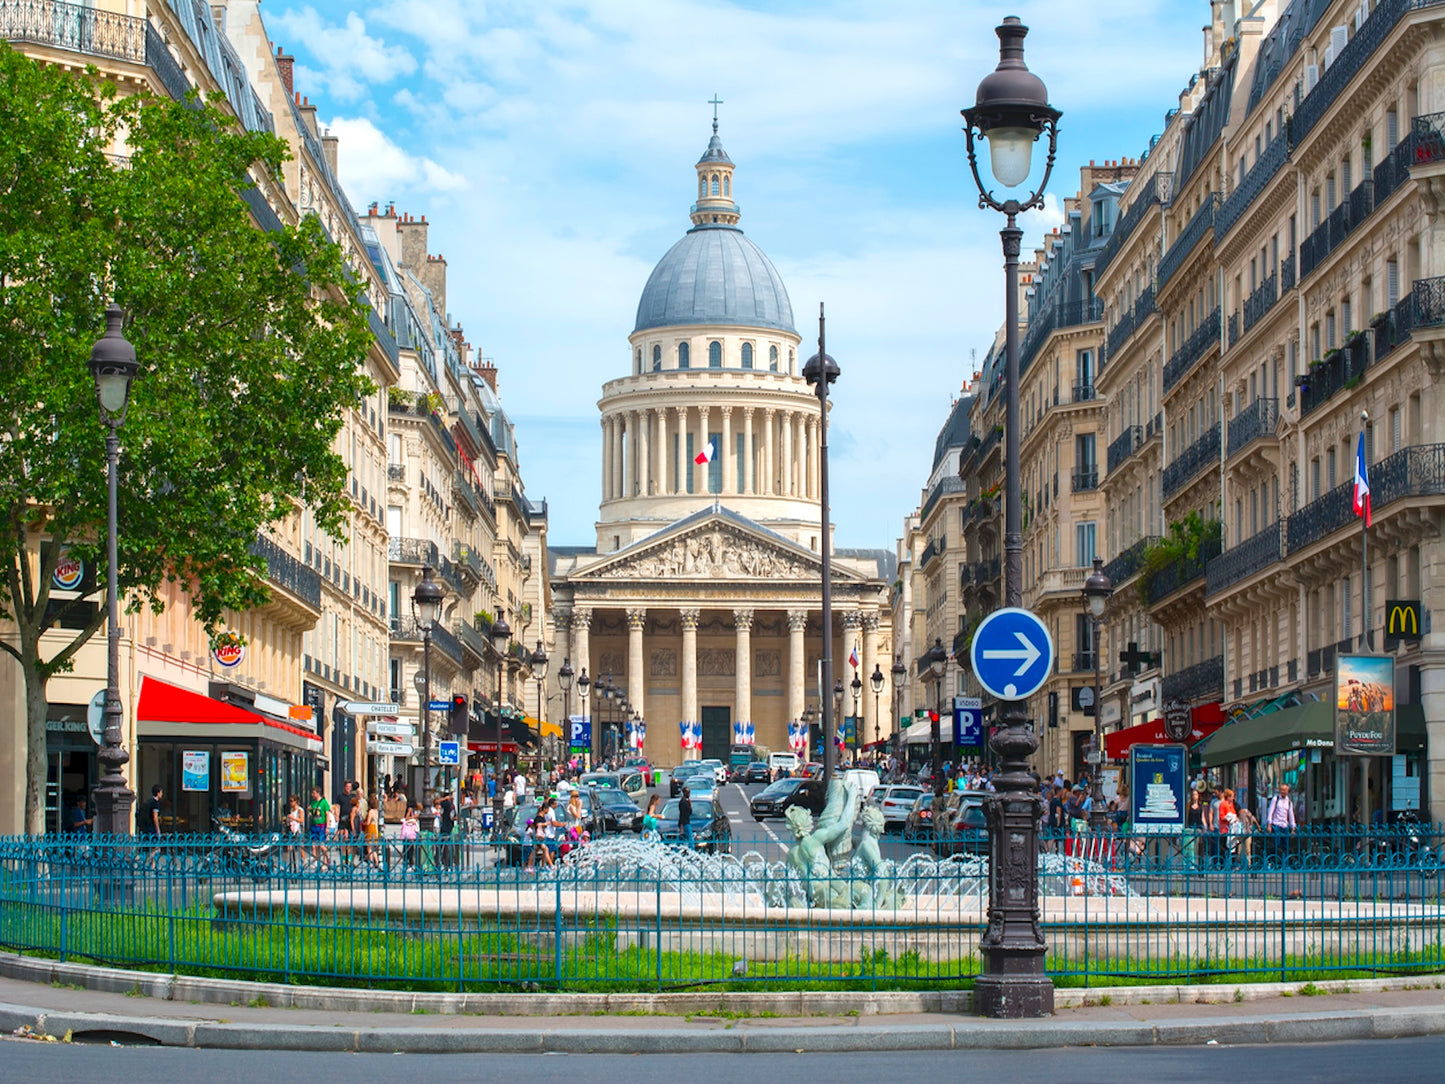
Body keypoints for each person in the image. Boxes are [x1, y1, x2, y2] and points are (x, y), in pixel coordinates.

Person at [1266, 783, 1297, 863]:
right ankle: (1276, 862)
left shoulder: (1289, 802)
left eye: (1284, 790)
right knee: (1277, 845)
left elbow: (1291, 815)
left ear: (1287, 791)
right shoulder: (1275, 799)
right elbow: (1270, 812)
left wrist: (1293, 827)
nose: (1282, 792)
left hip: (1284, 825)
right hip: (1276, 824)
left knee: (1285, 846)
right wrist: (1269, 824)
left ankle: (1285, 863)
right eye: (1281, 790)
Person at [308, 786, 331, 868]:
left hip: (322, 825)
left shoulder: (324, 802)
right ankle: (315, 862)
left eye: (313, 793)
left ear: (318, 793)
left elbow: (327, 814)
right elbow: (311, 814)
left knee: (321, 845)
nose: (312, 795)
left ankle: (327, 859)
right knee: (314, 845)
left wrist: (327, 827)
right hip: (314, 825)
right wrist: (309, 811)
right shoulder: (313, 803)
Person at [678, 785, 694, 849]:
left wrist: (690, 804)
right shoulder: (682, 802)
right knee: (690, 839)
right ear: (684, 793)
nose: (689, 794)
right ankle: (691, 851)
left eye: (689, 792)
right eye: (687, 792)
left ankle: (678, 849)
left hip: (687, 822)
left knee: (683, 839)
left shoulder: (687, 801)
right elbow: (682, 814)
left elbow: (690, 812)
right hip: (684, 823)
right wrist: (681, 826)